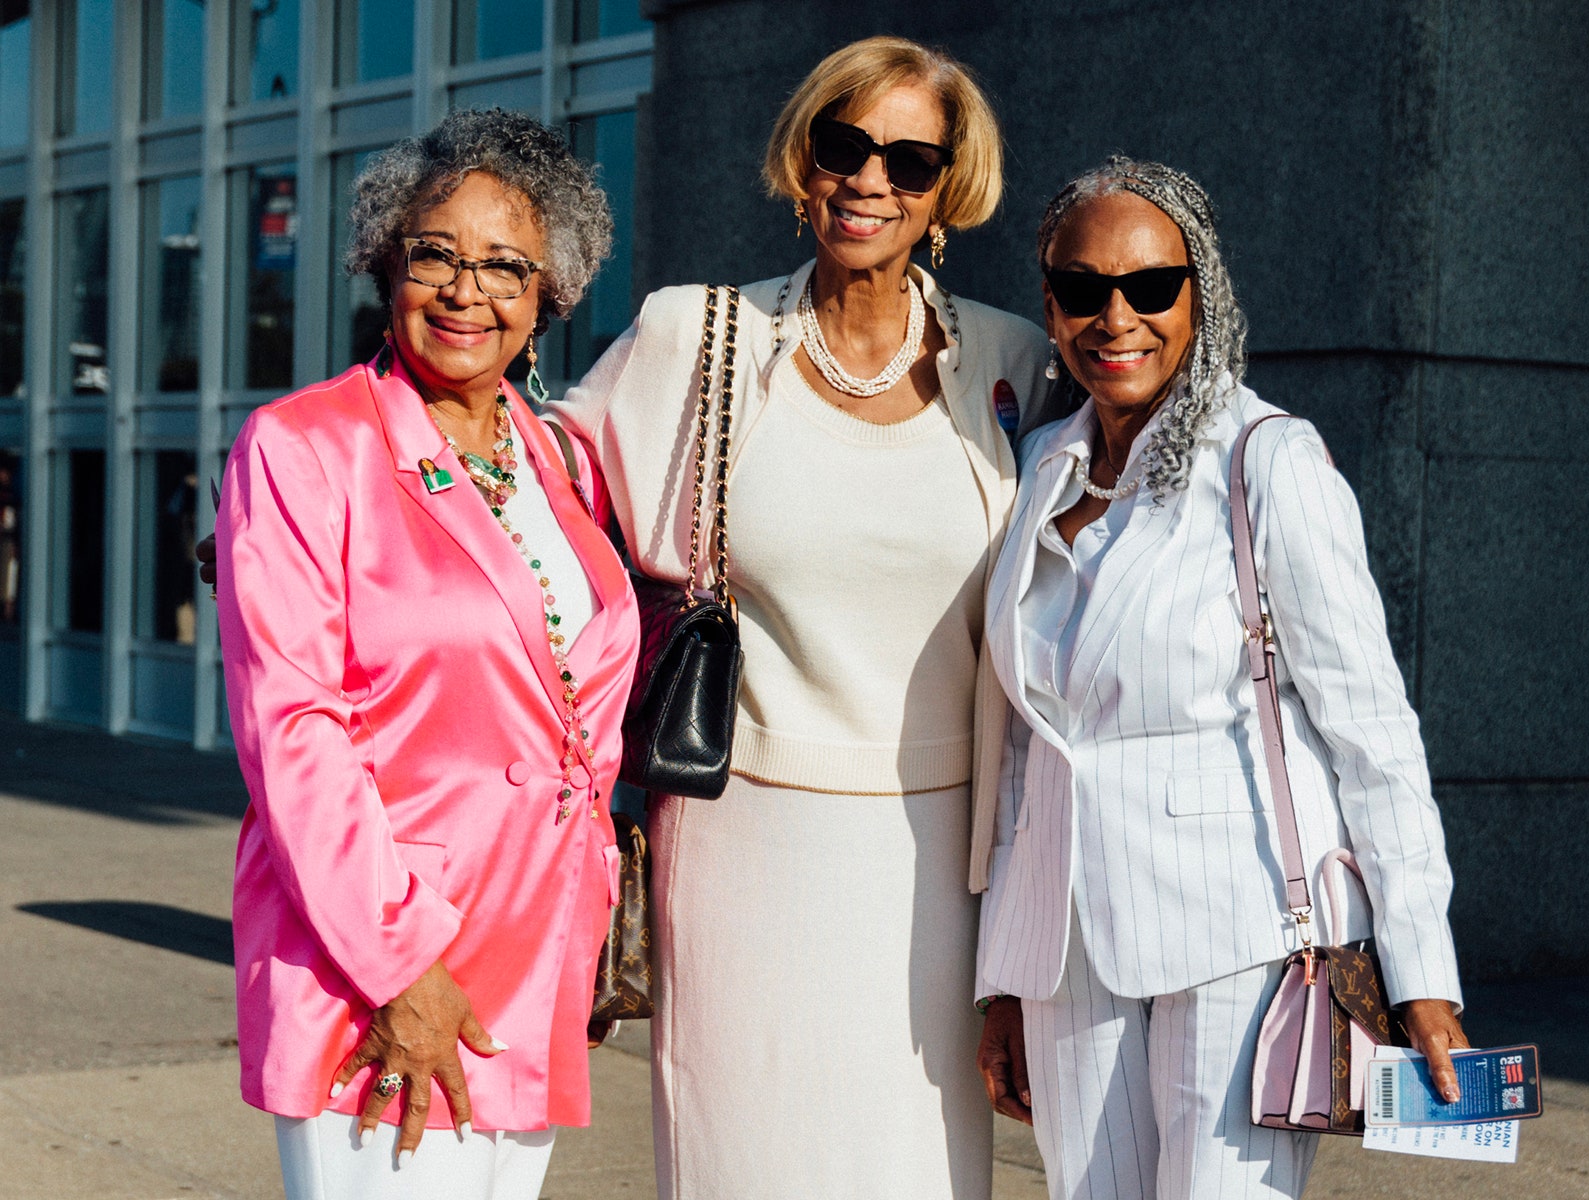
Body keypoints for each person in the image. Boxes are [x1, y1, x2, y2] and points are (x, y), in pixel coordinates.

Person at [542, 36, 1053, 1200]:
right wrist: (350, 497)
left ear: (945, 190)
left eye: (909, 159)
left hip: (939, 858)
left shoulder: (1012, 364)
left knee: (914, 1165)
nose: (870, 178)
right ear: (803, 161)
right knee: (743, 1160)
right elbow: (534, 480)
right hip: (740, 839)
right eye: (844, 144)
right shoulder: (697, 337)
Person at [971, 156, 1468, 1200]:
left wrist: (1422, 974)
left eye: (1151, 287)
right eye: (1082, 288)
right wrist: (1006, 977)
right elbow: (1024, 742)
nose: (1118, 317)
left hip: (1239, 933)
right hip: (1066, 951)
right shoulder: (1039, 466)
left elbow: (1371, 731)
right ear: (1050, 302)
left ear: (1201, 296)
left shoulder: (1264, 460)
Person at [214, 108, 636, 1199]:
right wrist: (402, 965)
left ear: (550, 294)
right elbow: (293, 735)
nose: (465, 290)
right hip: (386, 965)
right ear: (384, 263)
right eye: (434, 253)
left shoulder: (558, 460)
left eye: (504, 265)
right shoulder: (305, 448)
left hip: (537, 953)